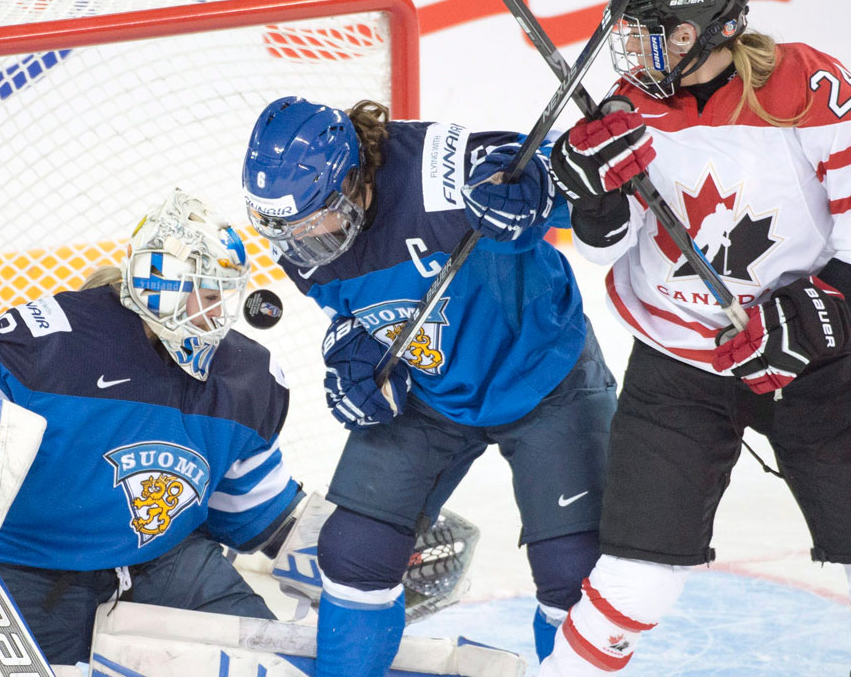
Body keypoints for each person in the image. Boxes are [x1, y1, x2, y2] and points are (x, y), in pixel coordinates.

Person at [539, 0, 851, 677]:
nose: (634, 52)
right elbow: (605, 246)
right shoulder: (627, 110)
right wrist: (593, 200)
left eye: (654, 33)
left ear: (707, 28)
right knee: (634, 579)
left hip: (816, 363)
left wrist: (819, 312)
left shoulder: (810, 91)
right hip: (677, 364)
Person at [240, 96, 618, 674]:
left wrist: (536, 186)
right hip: (431, 393)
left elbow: (565, 174)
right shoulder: (304, 243)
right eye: (286, 228)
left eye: (314, 218)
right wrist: (356, 354)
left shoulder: (436, 170)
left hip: (545, 375)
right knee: (353, 552)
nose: (301, 242)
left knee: (575, 571)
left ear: (353, 178)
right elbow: (356, 310)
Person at [0, 188, 303, 663]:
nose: (219, 314)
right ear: (159, 283)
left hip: (167, 565)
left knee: (281, 664)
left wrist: (350, 545)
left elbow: (255, 509)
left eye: (223, 295)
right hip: (25, 563)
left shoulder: (245, 375)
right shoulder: (60, 337)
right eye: (206, 294)